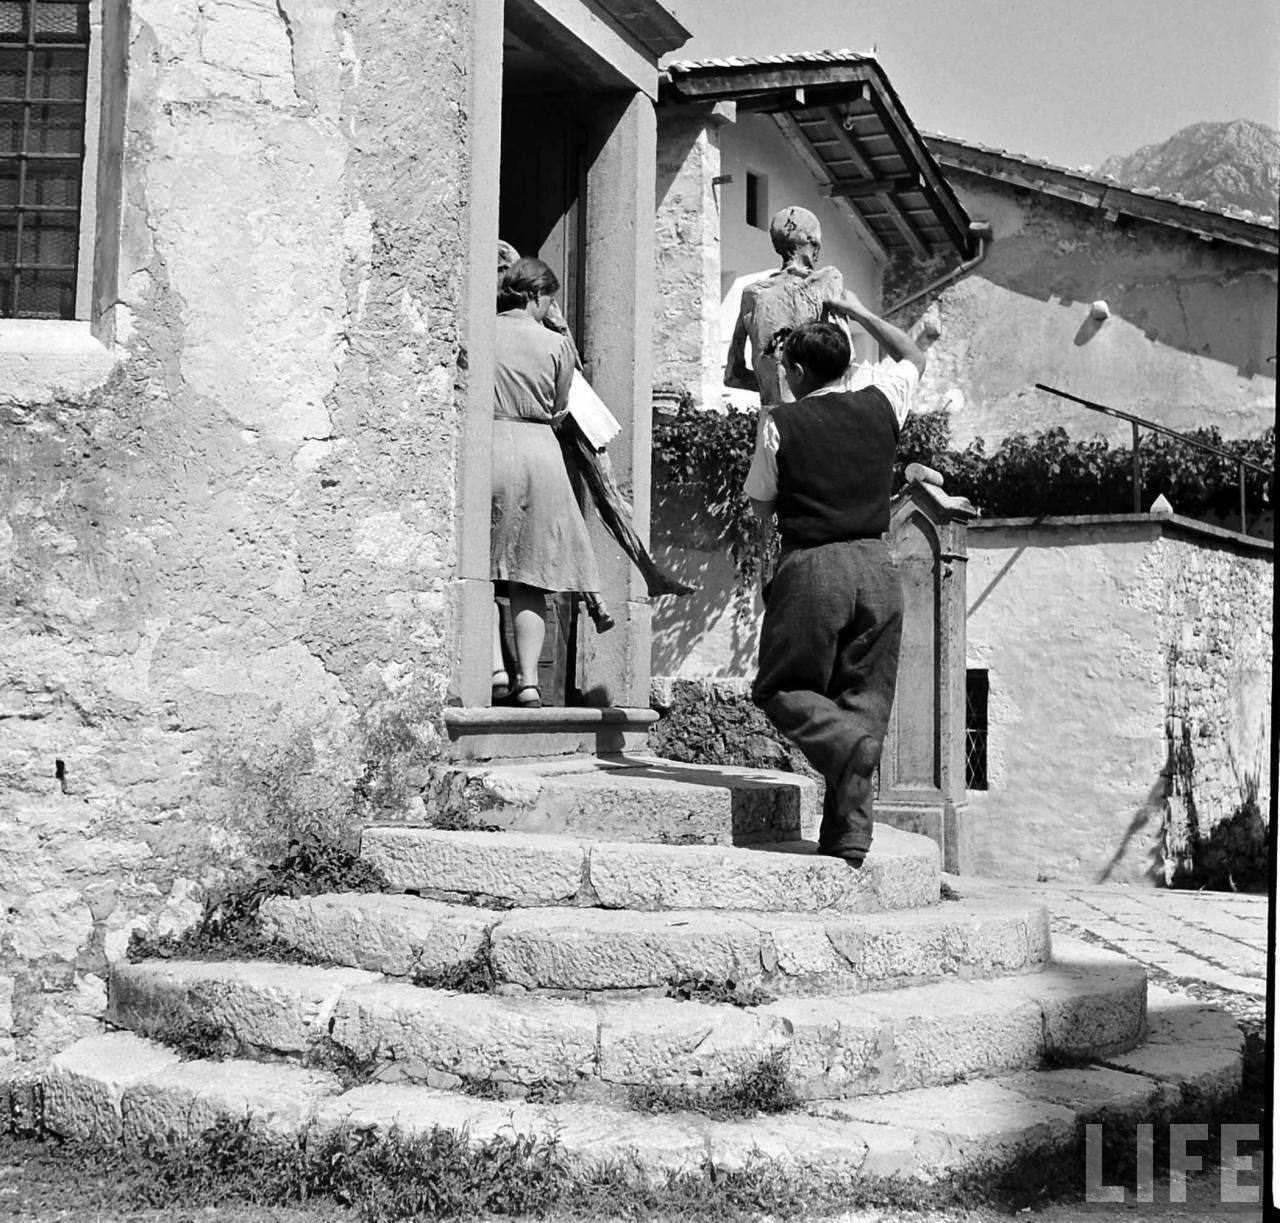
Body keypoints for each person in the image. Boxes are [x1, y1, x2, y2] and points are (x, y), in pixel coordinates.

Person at [744, 292, 926, 867]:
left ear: (796, 371)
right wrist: (859, 312)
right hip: (878, 565)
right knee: (863, 701)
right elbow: (913, 355)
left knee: (779, 687)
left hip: (815, 564)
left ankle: (849, 746)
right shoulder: (882, 401)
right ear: (847, 364)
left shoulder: (781, 423)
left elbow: (762, 507)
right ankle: (849, 838)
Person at [490, 256, 602, 708]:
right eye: (547, 298)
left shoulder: (483, 329)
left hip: (490, 441)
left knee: (481, 568)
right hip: (540, 451)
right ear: (536, 294)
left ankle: (496, 669)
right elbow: (560, 405)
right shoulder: (556, 344)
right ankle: (530, 681)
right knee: (532, 574)